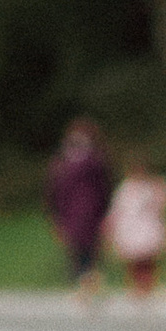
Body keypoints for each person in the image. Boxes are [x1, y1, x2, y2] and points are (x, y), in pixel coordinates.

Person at [44, 117, 113, 300]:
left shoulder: (90, 162)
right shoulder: (65, 163)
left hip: (88, 213)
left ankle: (87, 285)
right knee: (79, 249)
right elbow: (54, 192)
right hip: (73, 213)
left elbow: (104, 189)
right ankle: (85, 284)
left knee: (87, 249)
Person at [105, 156, 166, 301]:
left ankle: (147, 286)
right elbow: (117, 211)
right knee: (134, 261)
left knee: (148, 260)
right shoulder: (125, 189)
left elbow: (162, 204)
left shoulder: (151, 187)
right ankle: (137, 287)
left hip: (147, 229)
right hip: (132, 230)